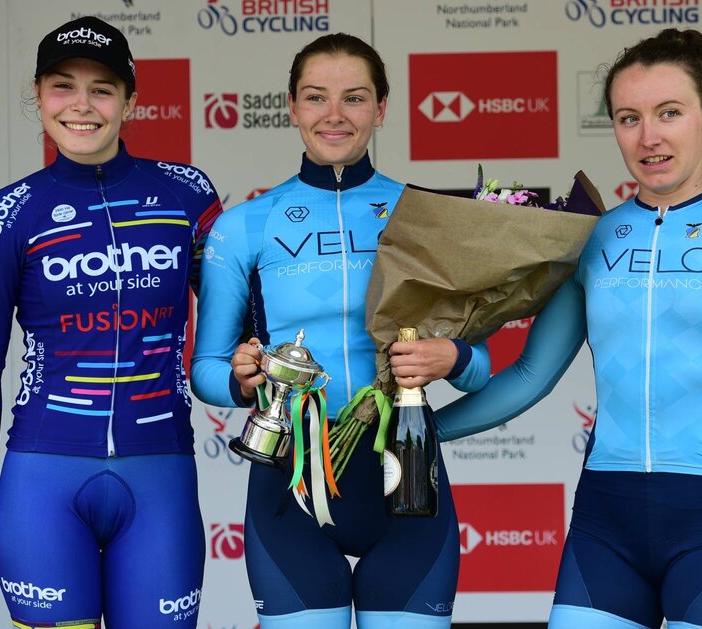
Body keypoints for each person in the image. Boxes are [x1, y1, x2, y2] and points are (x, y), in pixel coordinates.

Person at [436, 28, 702, 629]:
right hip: (604, 520)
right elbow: (534, 374)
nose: (649, 137)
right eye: (628, 117)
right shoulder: (592, 237)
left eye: (670, 113)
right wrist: (416, 433)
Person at [190, 33, 490, 629]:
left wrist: (450, 357)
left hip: (406, 475)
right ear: (293, 107)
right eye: (316, 98)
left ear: (381, 108)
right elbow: (206, 371)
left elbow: (478, 366)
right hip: (288, 482)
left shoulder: (425, 215)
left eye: (354, 98)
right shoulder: (244, 226)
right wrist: (242, 380)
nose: (334, 115)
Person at [0, 16, 220, 628]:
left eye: (102, 88)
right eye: (62, 85)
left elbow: (237, 323)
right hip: (41, 481)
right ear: (39, 97)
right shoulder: (10, 213)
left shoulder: (187, 195)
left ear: (130, 100)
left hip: (162, 475)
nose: (82, 105)